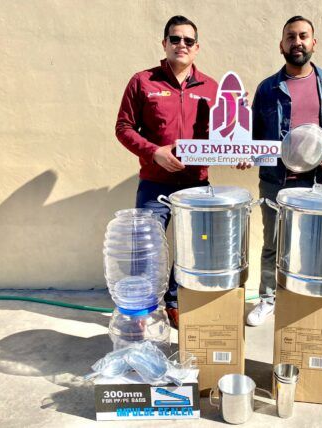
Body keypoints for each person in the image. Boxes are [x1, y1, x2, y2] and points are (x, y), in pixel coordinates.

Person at [245, 16, 322, 326]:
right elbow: (252, 135)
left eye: (303, 36)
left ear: (313, 43)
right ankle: (268, 299)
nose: (297, 42)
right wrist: (245, 153)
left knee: (314, 245)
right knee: (272, 244)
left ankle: (305, 301)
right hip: (275, 182)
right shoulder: (267, 88)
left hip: (316, 183)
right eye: (290, 37)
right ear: (281, 45)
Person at [115, 16, 218, 328]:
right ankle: (143, 307)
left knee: (191, 248)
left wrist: (240, 151)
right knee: (146, 248)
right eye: (175, 39)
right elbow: (123, 127)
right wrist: (154, 152)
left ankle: (174, 302)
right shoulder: (142, 81)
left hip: (196, 185)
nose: (181, 45)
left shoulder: (212, 88)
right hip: (155, 184)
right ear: (164, 44)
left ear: (197, 48)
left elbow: (226, 134)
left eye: (188, 40)